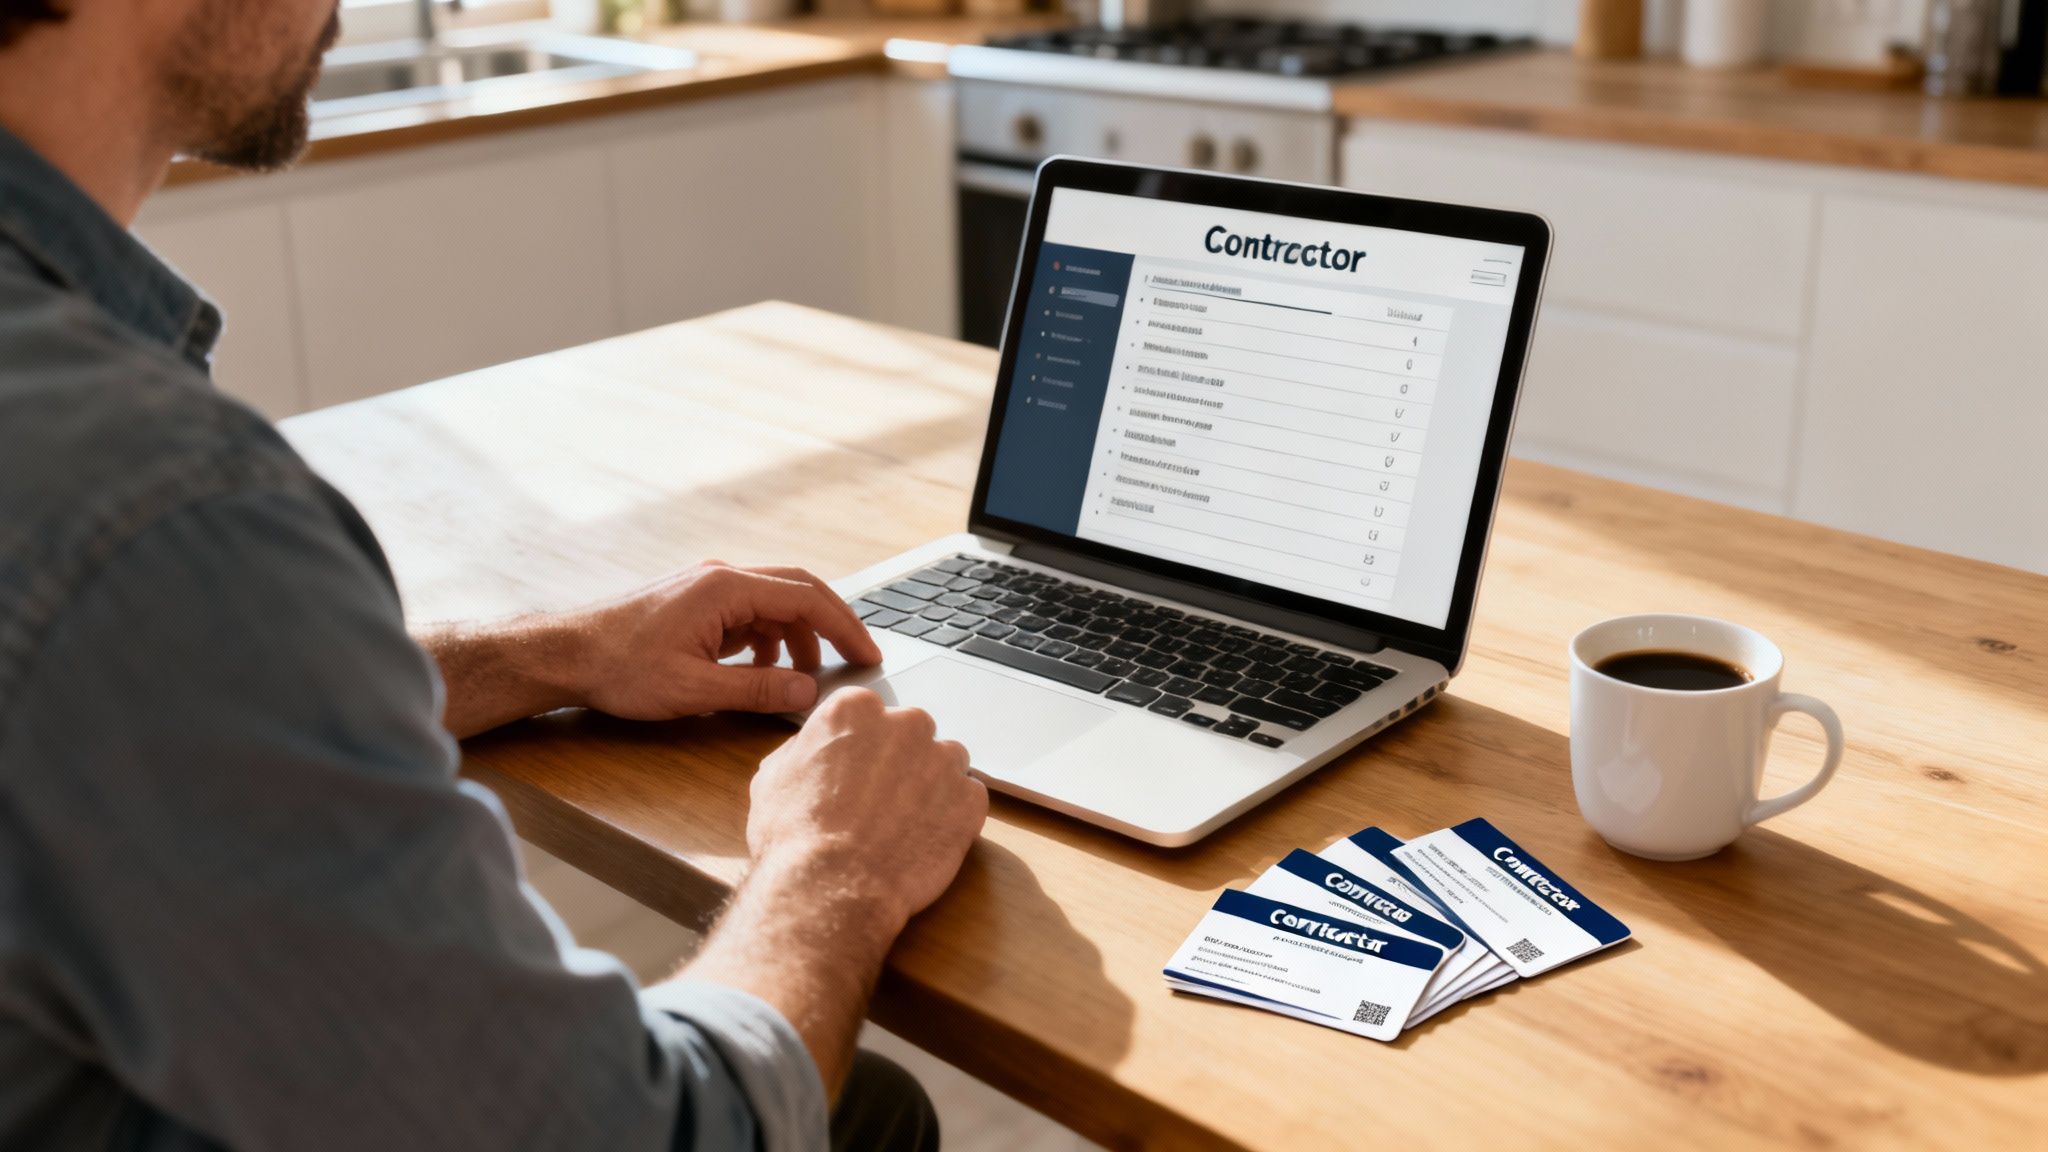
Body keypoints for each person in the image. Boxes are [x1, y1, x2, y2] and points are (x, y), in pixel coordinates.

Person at [0, 1, 990, 1149]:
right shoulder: (159, 515)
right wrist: (835, 869)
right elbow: (638, 1133)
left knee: (866, 1105)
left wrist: (553, 653)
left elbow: (138, 703)